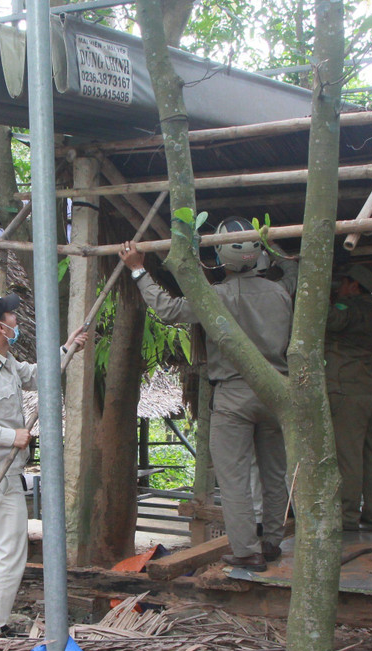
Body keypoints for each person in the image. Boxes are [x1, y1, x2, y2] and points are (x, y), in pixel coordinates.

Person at [120, 217, 292, 572]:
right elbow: (292, 273)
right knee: (274, 474)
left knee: (233, 476)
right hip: (277, 391)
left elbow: (168, 310)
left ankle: (247, 550)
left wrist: (138, 271)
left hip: (234, 394)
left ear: (220, 257)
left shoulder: (218, 297)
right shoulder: (281, 292)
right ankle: (272, 542)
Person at [0, 293, 88, 643]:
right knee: (9, 551)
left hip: (6, 472)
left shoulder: (4, 361)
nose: (16, 320)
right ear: (1, 327)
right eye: (11, 315)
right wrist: (10, 436)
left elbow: (36, 375)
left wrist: (67, 348)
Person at [327, 264, 372, 533]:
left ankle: (347, 515)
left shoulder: (347, 309)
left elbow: (331, 320)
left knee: (349, 454)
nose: (339, 289)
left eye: (343, 283)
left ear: (354, 286)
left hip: (347, 390)